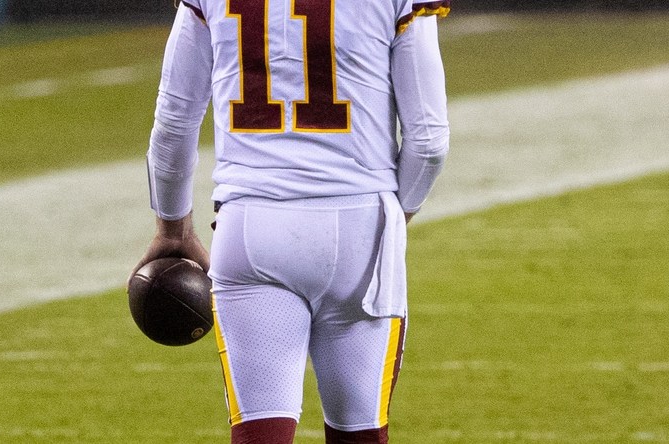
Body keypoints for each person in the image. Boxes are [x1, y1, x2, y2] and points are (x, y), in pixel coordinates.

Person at [130, 0, 450, 442]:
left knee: (259, 433)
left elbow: (174, 121)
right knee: (360, 434)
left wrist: (172, 227)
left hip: (250, 225)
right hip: (359, 222)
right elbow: (429, 142)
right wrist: (390, 219)